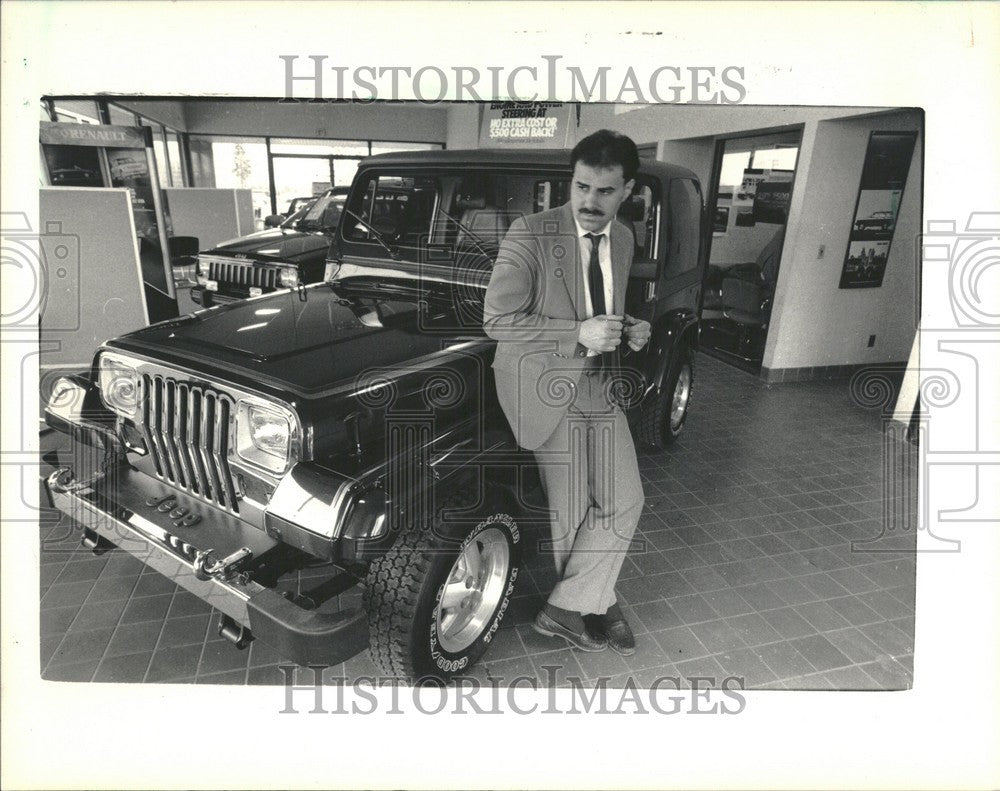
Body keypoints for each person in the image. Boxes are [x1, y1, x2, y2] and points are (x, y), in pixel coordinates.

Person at [483, 129, 651, 655]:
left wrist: (629, 327)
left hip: (599, 384)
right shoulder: (530, 233)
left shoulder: (622, 238)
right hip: (544, 385)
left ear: (628, 189)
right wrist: (574, 334)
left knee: (626, 500)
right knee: (572, 511)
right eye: (581, 187)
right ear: (570, 181)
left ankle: (567, 607)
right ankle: (596, 602)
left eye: (605, 191)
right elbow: (496, 319)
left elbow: (601, 304)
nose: (589, 202)